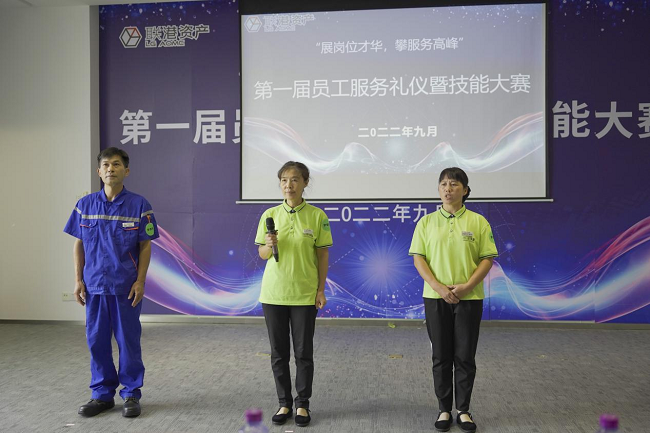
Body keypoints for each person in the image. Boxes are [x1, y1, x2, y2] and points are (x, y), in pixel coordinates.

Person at [63, 147, 159, 418]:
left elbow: (145, 246)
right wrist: (78, 279)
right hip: (94, 287)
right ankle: (102, 395)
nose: (110, 169)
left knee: (128, 342)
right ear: (98, 171)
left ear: (126, 171)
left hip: (125, 287)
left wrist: (140, 281)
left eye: (116, 164)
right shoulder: (84, 205)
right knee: (96, 342)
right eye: (105, 165)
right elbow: (79, 244)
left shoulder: (139, 205)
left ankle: (131, 394)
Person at [409, 167, 498, 433]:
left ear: (465, 190)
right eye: (444, 184)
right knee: (440, 355)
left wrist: (466, 286)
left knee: (465, 355)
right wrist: (438, 287)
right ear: (439, 190)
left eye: (454, 184)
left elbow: (487, 259)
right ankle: (444, 409)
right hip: (435, 297)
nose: (448, 189)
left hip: (469, 297)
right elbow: (418, 258)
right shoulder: (426, 222)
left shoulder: (478, 222)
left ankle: (464, 410)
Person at [254, 161, 332, 427]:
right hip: (273, 294)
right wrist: (268, 244)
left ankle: (302, 404)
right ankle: (284, 403)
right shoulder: (270, 214)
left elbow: (322, 255)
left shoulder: (317, 216)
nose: (289, 185)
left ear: (305, 183)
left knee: (303, 353)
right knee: (278, 353)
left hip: (304, 295)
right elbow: (262, 254)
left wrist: (320, 289)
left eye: (295, 179)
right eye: (284, 180)